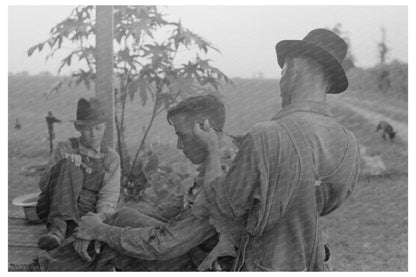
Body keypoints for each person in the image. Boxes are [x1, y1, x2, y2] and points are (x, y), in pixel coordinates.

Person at [191, 28, 361, 271]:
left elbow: (225, 208)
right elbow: (324, 202)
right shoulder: (350, 142)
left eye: (283, 69)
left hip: (264, 264)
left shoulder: (266, 134)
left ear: (294, 67)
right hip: (311, 262)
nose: (282, 78)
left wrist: (212, 152)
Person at [10, 95, 233, 271]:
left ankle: (44, 266)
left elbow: (165, 243)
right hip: (176, 248)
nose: (178, 145)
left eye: (182, 135)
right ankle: (52, 260)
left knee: (114, 234)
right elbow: (165, 210)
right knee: (121, 218)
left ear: (206, 131)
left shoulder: (221, 178)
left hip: (192, 263)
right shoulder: (209, 171)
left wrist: (102, 230)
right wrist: (104, 221)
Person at [35, 98, 121, 253]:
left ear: (105, 126)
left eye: (98, 128)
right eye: (88, 129)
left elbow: (107, 198)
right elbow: (43, 186)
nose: (93, 134)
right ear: (78, 127)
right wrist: (63, 164)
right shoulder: (65, 147)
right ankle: (58, 229)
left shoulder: (110, 157)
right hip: (51, 209)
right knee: (69, 165)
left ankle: (71, 231)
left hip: (85, 212)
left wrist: (97, 222)